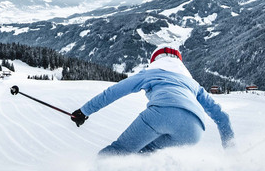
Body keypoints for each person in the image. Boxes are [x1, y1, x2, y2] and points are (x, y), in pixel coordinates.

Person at [70, 46, 235, 156]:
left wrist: (84, 111)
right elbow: (222, 117)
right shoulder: (193, 84)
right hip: (195, 129)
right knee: (143, 155)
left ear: (154, 60)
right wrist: (231, 153)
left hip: (161, 113)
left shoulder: (150, 73)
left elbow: (113, 92)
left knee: (119, 152)